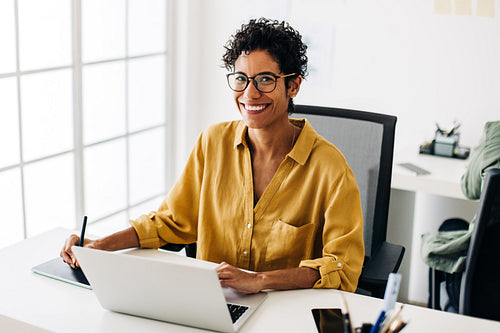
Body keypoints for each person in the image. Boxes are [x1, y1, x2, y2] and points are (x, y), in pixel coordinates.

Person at [61, 18, 364, 293]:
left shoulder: (330, 167)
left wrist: (259, 281)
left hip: (284, 315)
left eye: (266, 79)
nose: (250, 94)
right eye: (241, 79)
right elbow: (171, 221)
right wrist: (98, 247)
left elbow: (341, 267)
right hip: (211, 306)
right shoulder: (212, 142)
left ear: (293, 85)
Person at [421, 120, 500, 310]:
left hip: (481, 296)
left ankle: (441, 315)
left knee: (449, 227)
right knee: (454, 225)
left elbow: (470, 188)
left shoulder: (495, 132)